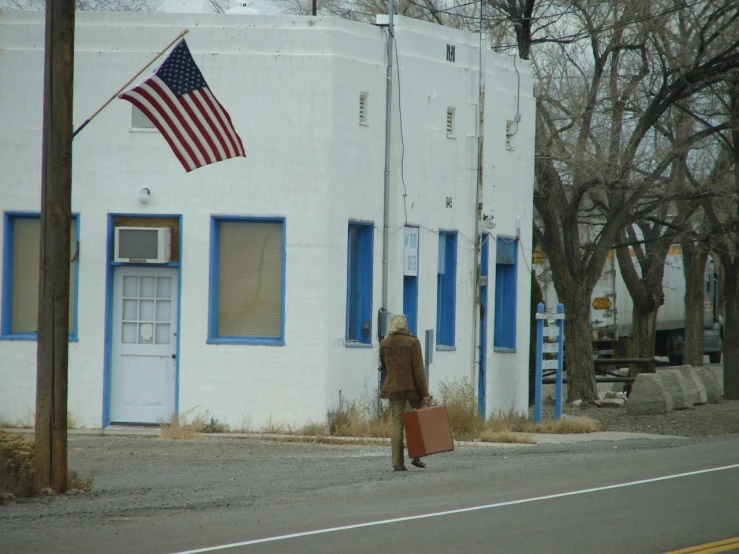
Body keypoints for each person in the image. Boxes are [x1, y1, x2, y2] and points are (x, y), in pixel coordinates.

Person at [379, 314, 431, 472]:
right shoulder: (413, 342)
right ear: (403, 326)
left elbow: (385, 367)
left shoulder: (384, 343)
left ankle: (397, 462)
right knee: (415, 423)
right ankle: (416, 456)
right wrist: (425, 393)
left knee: (397, 425)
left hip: (393, 388)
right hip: (411, 389)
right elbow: (418, 371)